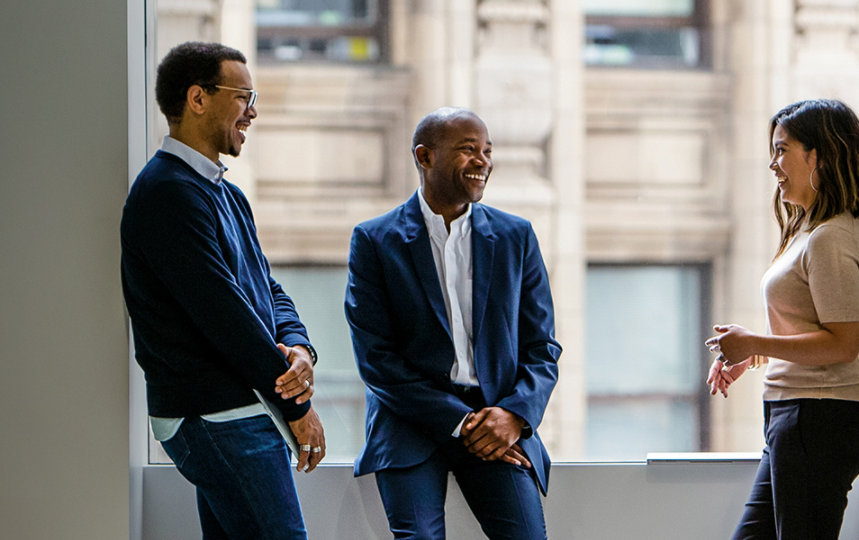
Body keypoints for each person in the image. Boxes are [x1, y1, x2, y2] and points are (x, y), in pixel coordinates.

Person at [121, 41, 325, 539]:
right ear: (197, 99)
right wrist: (296, 406)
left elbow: (266, 287)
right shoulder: (167, 193)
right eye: (243, 95)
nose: (252, 111)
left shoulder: (225, 193)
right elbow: (225, 315)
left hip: (235, 411)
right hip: (213, 416)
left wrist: (300, 348)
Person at [345, 107, 561, 539]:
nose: (483, 161)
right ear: (425, 157)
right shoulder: (374, 240)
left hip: (495, 418)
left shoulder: (516, 237)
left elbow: (543, 349)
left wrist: (513, 416)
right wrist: (461, 422)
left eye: (487, 150)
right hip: (410, 421)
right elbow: (376, 360)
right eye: (468, 150)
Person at [705, 99, 859, 540]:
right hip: (797, 416)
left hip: (818, 418)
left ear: (820, 155)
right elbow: (813, 327)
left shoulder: (830, 237)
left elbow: (843, 344)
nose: (773, 164)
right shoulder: (809, 231)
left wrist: (755, 344)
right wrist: (751, 356)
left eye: (782, 150)